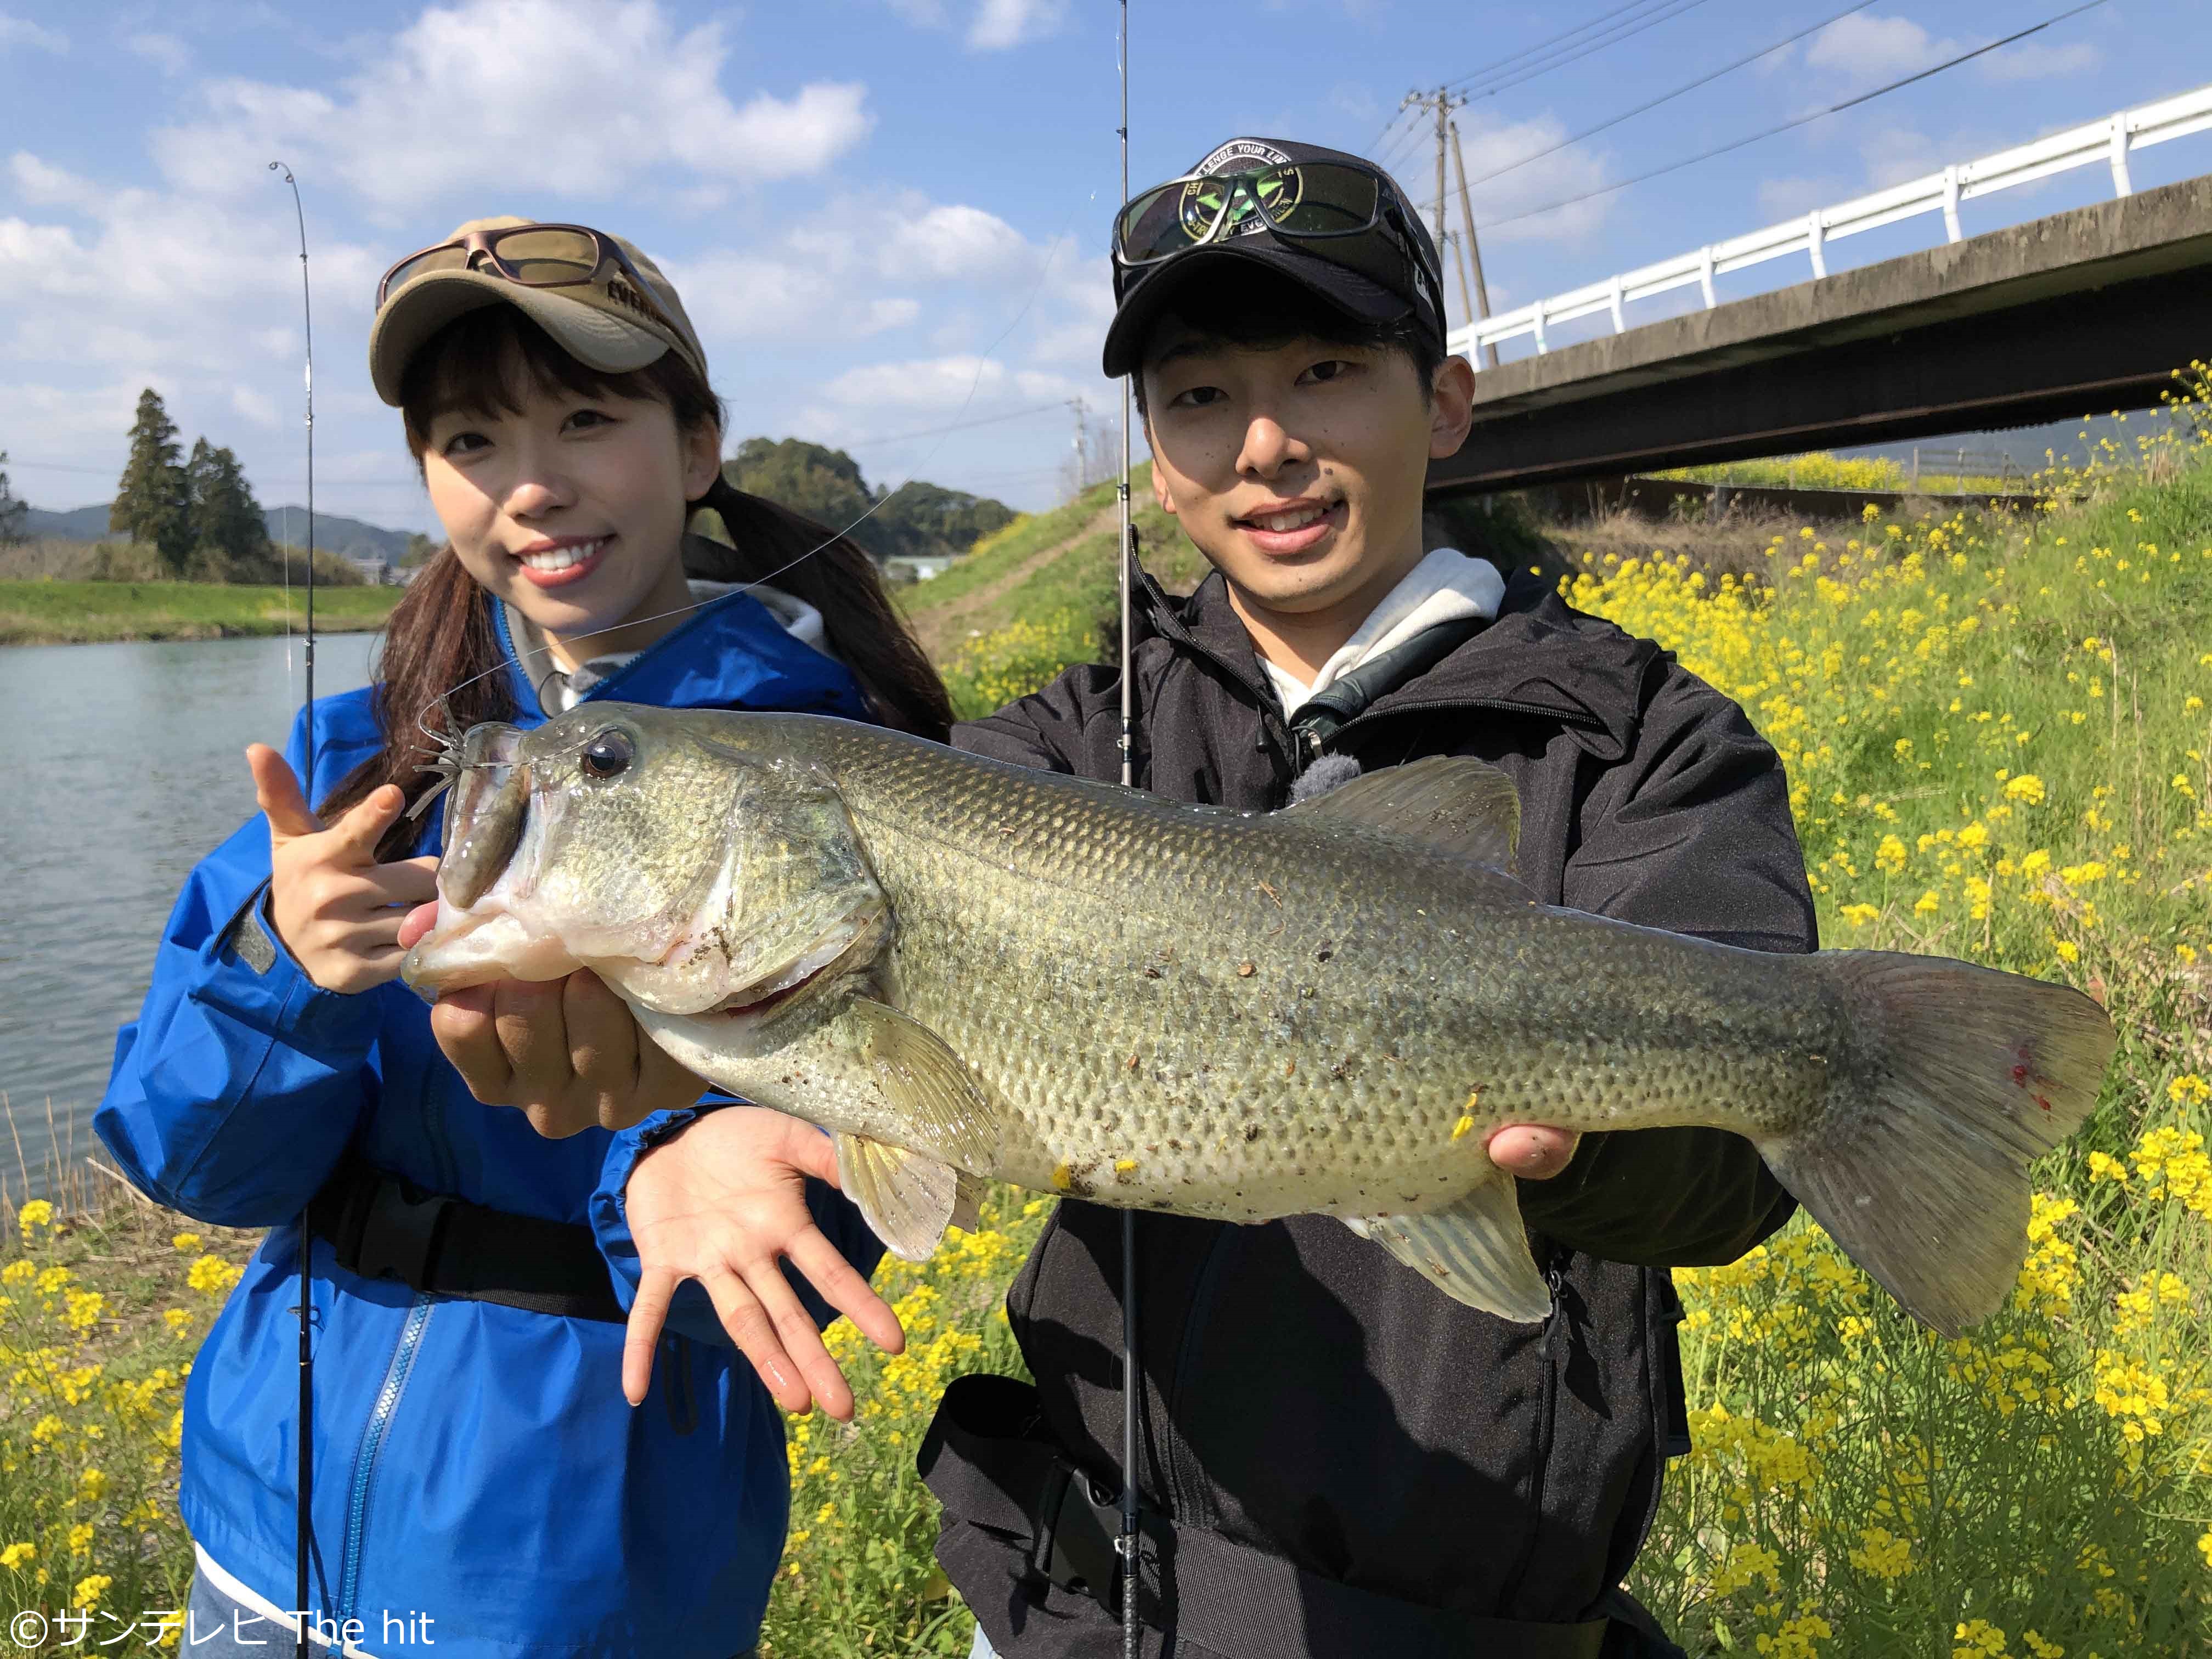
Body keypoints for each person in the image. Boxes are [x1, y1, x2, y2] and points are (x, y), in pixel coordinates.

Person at [911, 139, 1817, 1658]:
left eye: (1327, 368)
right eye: (1199, 396)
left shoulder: (1646, 739)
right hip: (1080, 1608)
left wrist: (1565, 1147)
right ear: (1152, 452)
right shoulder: (1061, 750)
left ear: (1443, 401)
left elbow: (1741, 1173)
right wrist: (718, 1111)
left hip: (1472, 1622)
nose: (1263, 442)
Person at [94, 217, 941, 1659]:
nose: (532, 483)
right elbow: (187, 1161)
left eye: (588, 417)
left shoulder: (836, 767)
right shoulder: (356, 754)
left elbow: (866, 1179)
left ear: (696, 445)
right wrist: (284, 973)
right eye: (473, 438)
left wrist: (683, 1149)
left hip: (569, 1579)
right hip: (252, 1538)